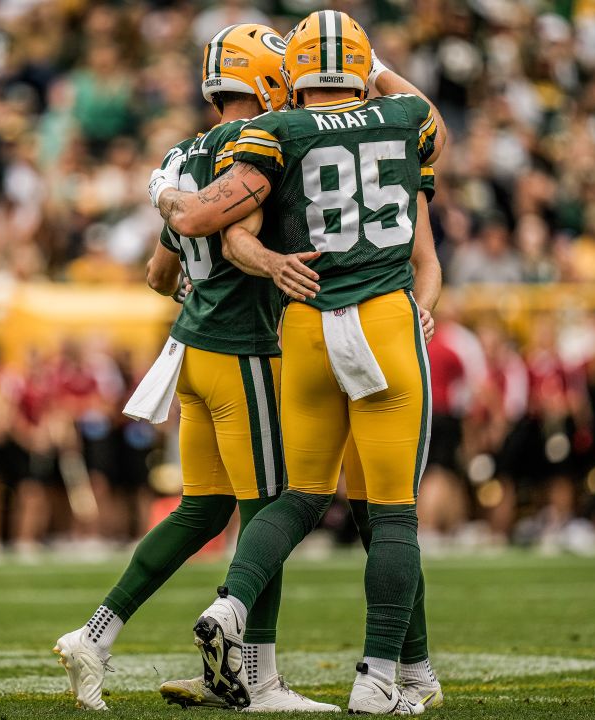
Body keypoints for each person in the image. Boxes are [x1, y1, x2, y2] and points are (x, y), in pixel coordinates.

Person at [152, 10, 445, 714]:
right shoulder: (403, 114)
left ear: (294, 74)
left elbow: (209, 227)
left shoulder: (276, 133)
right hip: (383, 317)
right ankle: (379, 679)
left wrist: (172, 192)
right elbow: (435, 123)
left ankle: (232, 605)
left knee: (302, 496)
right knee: (393, 515)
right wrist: (373, 68)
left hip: (307, 323)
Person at [52, 25, 335, 713]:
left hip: (191, 353)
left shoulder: (182, 154)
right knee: (269, 510)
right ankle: (259, 681)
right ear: (269, 81)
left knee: (204, 508)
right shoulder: (263, 149)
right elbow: (232, 235)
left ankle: (96, 633)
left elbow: (157, 273)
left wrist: (195, 280)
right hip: (242, 350)